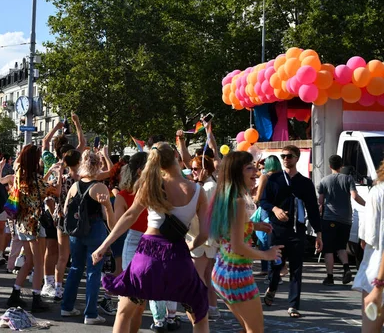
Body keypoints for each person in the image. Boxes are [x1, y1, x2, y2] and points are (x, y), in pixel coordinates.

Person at [92, 142, 210, 333]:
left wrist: (103, 246)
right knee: (199, 314)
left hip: (147, 255)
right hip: (178, 256)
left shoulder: (151, 185)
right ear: (176, 156)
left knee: (124, 313)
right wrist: (190, 246)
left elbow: (130, 216)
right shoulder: (198, 191)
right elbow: (204, 233)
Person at [210, 151, 282, 332]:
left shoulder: (225, 196)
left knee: (247, 327)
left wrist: (254, 226)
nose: (256, 173)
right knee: (255, 330)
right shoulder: (238, 201)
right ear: (236, 172)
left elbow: (230, 231)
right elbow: (237, 246)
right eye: (249, 168)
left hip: (223, 273)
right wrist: (266, 255)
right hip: (237, 276)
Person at [260, 145, 323, 318]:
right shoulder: (274, 179)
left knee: (296, 268)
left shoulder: (305, 183)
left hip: (297, 230)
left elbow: (313, 209)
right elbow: (263, 201)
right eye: (283, 156)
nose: (285, 159)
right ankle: (272, 287)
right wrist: (274, 209)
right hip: (278, 229)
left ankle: (293, 305)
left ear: (296, 158)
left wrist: (318, 233)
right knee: (277, 264)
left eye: (289, 156)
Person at [60, 149, 115, 325]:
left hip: (76, 232)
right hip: (95, 229)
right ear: (98, 165)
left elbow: (65, 210)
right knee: (93, 271)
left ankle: (66, 307)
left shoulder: (75, 186)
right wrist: (107, 204)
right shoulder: (100, 187)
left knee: (75, 267)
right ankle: (90, 313)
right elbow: (109, 219)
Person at [7, 144, 59, 313]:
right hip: (35, 226)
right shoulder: (36, 181)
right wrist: (58, 174)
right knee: (38, 263)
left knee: (28, 261)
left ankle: (15, 294)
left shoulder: (19, 177)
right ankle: (37, 298)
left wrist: (49, 172)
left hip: (21, 223)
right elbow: (55, 191)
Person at [110, 152, 149, 332]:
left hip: (153, 244)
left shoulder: (156, 192)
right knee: (130, 302)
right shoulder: (123, 195)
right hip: (134, 242)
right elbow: (117, 228)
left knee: (141, 305)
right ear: (141, 171)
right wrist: (106, 208)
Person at [318, 154, 365, 285]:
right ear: (341, 165)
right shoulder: (348, 179)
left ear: (330, 166)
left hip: (329, 218)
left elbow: (321, 201)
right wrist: (368, 204)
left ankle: (330, 277)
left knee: (328, 249)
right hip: (346, 219)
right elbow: (355, 197)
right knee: (341, 246)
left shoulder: (324, 181)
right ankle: (346, 268)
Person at [352, 159, 384, 331]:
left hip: (377, 270)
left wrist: (378, 285)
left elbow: (369, 236)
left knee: (371, 329)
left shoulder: (377, 192)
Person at [188, 155, 220, 320]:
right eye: (192, 168)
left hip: (201, 237)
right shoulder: (210, 184)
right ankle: (212, 308)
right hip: (208, 237)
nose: (193, 172)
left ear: (205, 170)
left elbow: (198, 211)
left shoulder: (206, 187)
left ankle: (201, 310)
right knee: (207, 276)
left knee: (199, 276)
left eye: (196, 168)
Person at [52, 148, 81, 302]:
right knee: (76, 257)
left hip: (61, 217)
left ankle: (58, 288)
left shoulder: (62, 178)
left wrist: (57, 172)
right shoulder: (82, 180)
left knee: (62, 256)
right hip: (77, 219)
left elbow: (53, 192)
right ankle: (71, 289)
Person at [253, 155, 282, 276]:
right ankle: (278, 268)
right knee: (275, 240)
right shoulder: (283, 177)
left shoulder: (265, 177)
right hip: (279, 211)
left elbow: (258, 198)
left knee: (264, 239)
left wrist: (252, 198)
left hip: (266, 210)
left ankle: (268, 269)